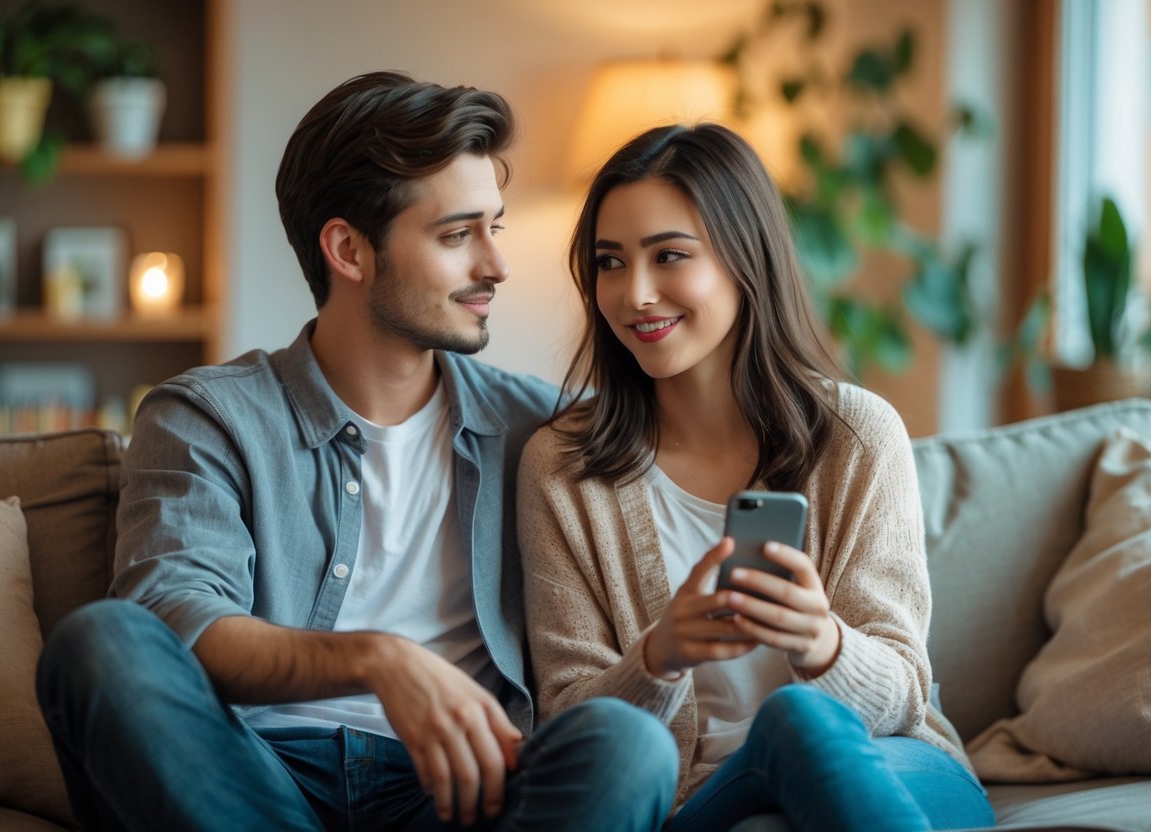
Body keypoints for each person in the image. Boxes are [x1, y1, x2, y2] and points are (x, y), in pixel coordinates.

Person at [36, 71, 678, 832]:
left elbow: (704, 424)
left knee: (627, 745)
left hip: (465, 792)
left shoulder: (538, 426)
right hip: (255, 778)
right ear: (348, 249)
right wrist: (379, 659)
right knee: (100, 644)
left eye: (493, 227)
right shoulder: (206, 416)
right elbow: (175, 614)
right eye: (456, 235)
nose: (495, 266)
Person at [517, 123, 996, 831]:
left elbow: (902, 692)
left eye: (669, 256)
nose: (635, 294)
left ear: (746, 260)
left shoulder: (857, 436)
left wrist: (822, 644)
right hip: (701, 797)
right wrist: (657, 654)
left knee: (798, 720)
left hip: (888, 764)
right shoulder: (562, 467)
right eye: (610, 262)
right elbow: (571, 723)